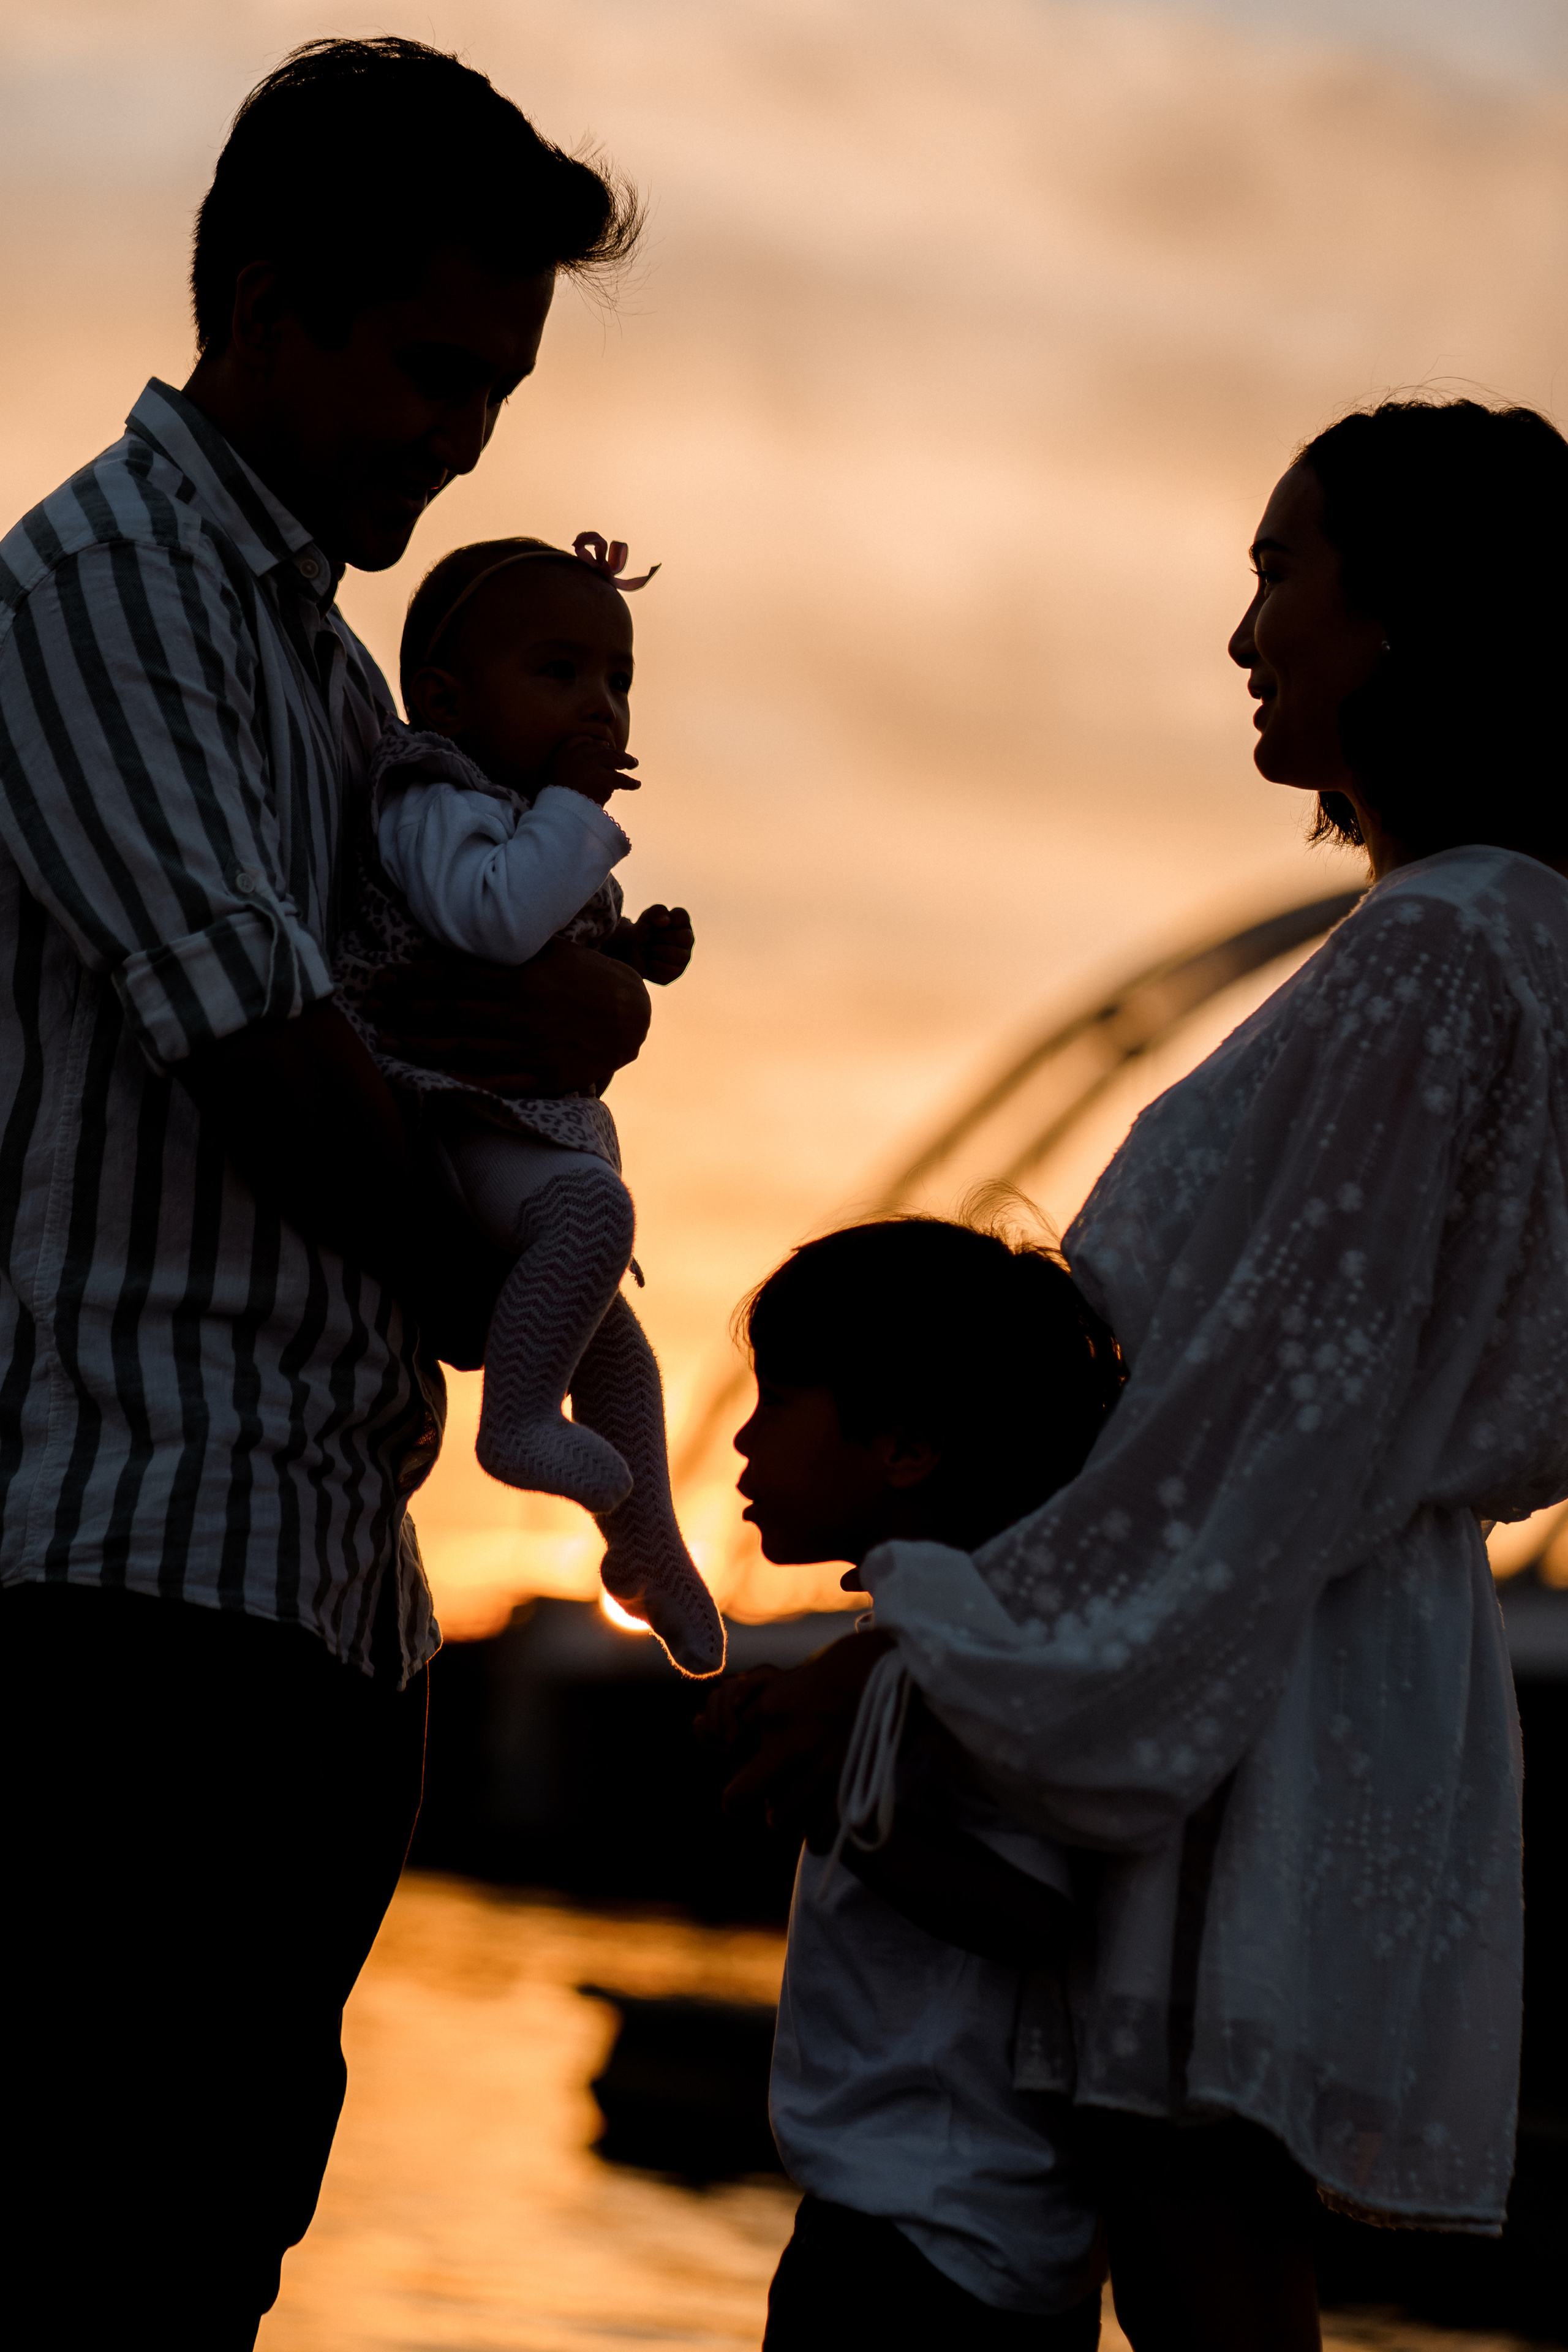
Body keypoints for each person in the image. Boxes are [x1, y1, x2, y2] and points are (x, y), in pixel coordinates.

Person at [721, 397, 1568, 2348]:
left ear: (1404, 614)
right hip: (1321, 1646)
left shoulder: (1433, 959)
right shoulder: (1505, 939)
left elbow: (1272, 1411)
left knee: (1204, 2254)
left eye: (1283, 569)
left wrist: (927, 1646)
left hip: (1254, 1669)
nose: (1245, 629)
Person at [0, 37, 644, 2348]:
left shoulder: (334, 672)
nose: (466, 439)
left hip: (317, 1615)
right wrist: (501, 1257)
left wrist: (574, 1023)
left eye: (503, 388)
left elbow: (466, 1030)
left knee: (195, 2258)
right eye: (433, 371)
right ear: (267, 310)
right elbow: (280, 1072)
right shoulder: (105, 595)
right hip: (121, 1608)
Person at [701, 1215, 1123, 2350]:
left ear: (905, 1447)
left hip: (933, 2241)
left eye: (777, 1400)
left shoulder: (980, 1662)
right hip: (937, 2226)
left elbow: (1040, 1915)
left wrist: (843, 1811)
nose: (741, 1437)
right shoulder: (923, 1648)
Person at [333, 530, 722, 1673]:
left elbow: (541, 932)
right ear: (447, 701)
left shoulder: (515, 809)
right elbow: (492, 918)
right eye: (559, 672)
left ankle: (647, 1542)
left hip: (500, 1118)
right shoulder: (431, 793)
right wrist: (577, 813)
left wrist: (626, 955)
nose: (600, 705)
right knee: (594, 1216)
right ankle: (515, 1429)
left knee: (618, 1346)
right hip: (445, 1108)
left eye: (618, 680)